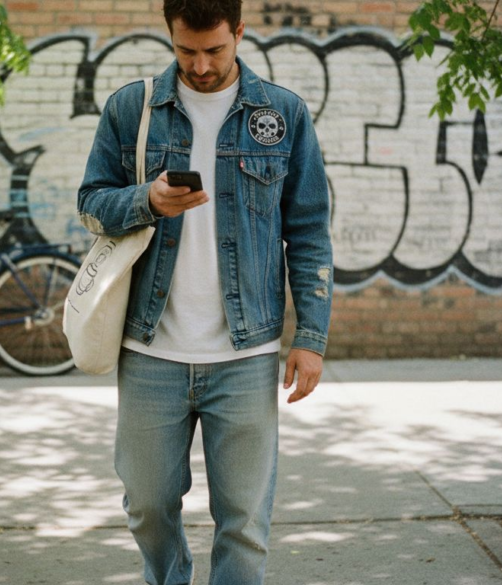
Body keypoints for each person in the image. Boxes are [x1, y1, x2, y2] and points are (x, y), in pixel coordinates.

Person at [76, 1, 333, 583]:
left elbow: (310, 232)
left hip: (244, 358)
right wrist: (147, 201)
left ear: (239, 33)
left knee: (243, 522)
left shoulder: (282, 114)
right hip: (150, 352)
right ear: (170, 35)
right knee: (146, 507)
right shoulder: (132, 108)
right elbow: (91, 203)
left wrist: (311, 337)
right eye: (185, 49)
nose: (199, 65)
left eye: (214, 49)